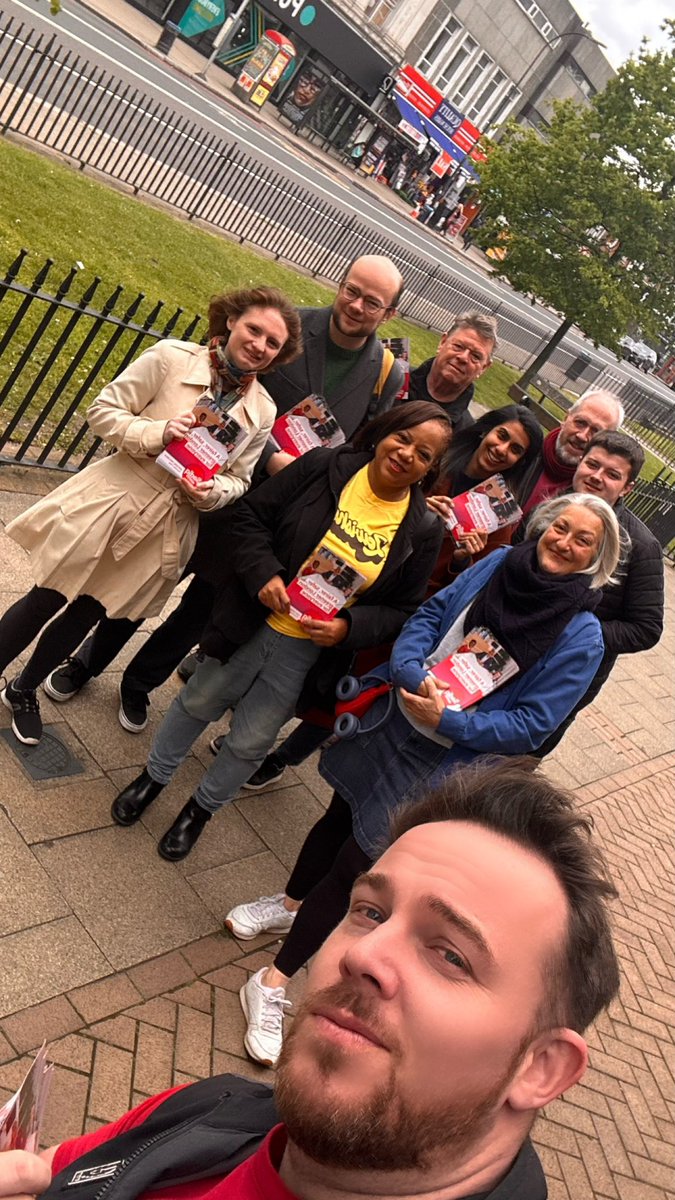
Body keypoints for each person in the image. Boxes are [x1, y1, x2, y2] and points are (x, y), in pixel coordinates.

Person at [33, 760, 620, 1200]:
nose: (362, 955)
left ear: (540, 1068)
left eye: (451, 955)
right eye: (369, 912)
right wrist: (36, 1172)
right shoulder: (218, 1105)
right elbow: (68, 1165)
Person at [225, 491, 622, 1065]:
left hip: (444, 757)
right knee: (340, 813)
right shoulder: (496, 563)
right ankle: (288, 904)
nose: (565, 542)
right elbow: (432, 615)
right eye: (561, 527)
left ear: (596, 556)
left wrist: (453, 719)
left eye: (583, 539)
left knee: (361, 858)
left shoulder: (582, 634)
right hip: (398, 716)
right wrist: (412, 673)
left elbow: (534, 724)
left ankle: (272, 980)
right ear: (543, 527)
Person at [44, 256, 406, 728]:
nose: (356, 305)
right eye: (351, 290)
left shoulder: (386, 373)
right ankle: (87, 661)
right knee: (144, 579)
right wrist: (270, 453)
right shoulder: (287, 329)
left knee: (202, 608)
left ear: (389, 314)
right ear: (340, 284)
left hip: (273, 515)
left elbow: (358, 445)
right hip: (210, 477)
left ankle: (138, 685)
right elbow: (238, 390)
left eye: (371, 302)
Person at [110, 402, 450, 862]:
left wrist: (347, 626)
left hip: (308, 652)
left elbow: (402, 608)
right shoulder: (325, 466)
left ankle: (200, 810)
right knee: (197, 702)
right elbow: (251, 515)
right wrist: (265, 573)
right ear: (384, 433)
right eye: (403, 438)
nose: (407, 454)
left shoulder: (422, 529)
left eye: (424, 454)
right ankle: (154, 776)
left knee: (250, 741)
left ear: (431, 469)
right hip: (252, 619)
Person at [0, 287, 301, 745]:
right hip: (117, 497)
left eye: (272, 342)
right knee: (48, 594)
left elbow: (239, 480)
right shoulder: (173, 358)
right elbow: (102, 412)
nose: (259, 344)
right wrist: (158, 432)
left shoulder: (261, 411)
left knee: (89, 610)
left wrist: (208, 492)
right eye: (254, 329)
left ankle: (22, 690)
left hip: (169, 522)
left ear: (280, 355)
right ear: (231, 323)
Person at [241, 403, 542, 794]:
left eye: (515, 449)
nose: (502, 449)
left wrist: (465, 557)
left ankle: (281, 758)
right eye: (501, 435)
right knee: (305, 666)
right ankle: (252, 735)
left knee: (348, 687)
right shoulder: (436, 459)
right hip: (365, 582)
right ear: (486, 430)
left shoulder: (504, 516)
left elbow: (477, 583)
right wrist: (421, 508)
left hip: (419, 612)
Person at [532, 430, 664, 758]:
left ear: (628, 488)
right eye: (592, 465)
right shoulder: (549, 507)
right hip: (511, 645)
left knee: (516, 759)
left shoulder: (641, 547)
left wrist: (575, 632)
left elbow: (646, 628)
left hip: (567, 673)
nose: (597, 476)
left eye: (612, 474)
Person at [519, 390, 624, 515]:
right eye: (580, 423)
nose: (582, 436)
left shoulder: (595, 497)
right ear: (566, 418)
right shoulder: (522, 452)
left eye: (596, 431)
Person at [406, 311, 497, 433]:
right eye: (458, 346)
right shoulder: (393, 375)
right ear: (442, 342)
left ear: (484, 368)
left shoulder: (466, 433)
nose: (463, 358)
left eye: (475, 356)